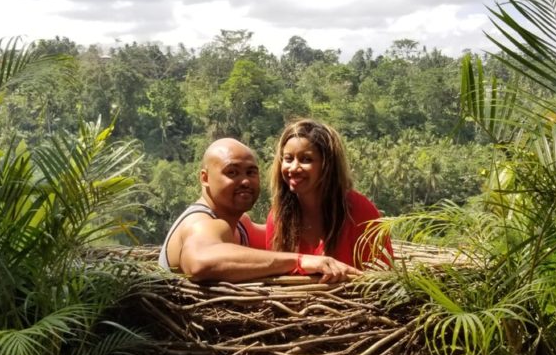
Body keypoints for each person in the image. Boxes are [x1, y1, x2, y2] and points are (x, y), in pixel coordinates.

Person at [159, 138, 360, 283]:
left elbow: (289, 236)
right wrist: (301, 261)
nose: (245, 181)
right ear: (204, 178)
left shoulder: (241, 225)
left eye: (251, 172)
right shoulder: (202, 223)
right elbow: (200, 262)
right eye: (232, 172)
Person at [266, 119, 392, 268]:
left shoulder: (359, 212)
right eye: (288, 159)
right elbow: (275, 273)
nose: (293, 168)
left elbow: (381, 275)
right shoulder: (278, 216)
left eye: (306, 159)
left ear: (327, 165)